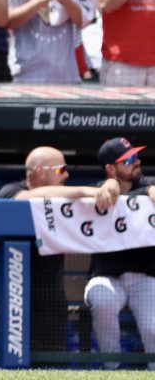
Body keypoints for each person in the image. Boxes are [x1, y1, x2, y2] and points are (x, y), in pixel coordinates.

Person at [0, 145, 120, 354]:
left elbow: (104, 194)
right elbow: (31, 197)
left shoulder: (66, 196)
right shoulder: (11, 190)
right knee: (15, 362)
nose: (67, 174)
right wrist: (84, 190)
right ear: (40, 172)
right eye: (61, 169)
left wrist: (109, 183)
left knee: (54, 360)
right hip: (17, 295)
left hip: (52, 294)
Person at [84, 138, 155, 370]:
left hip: (145, 277)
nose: (137, 162)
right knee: (101, 300)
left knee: (153, 327)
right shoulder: (97, 191)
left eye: (135, 157)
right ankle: (111, 370)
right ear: (110, 168)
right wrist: (108, 186)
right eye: (128, 159)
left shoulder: (148, 183)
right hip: (107, 275)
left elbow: (151, 189)